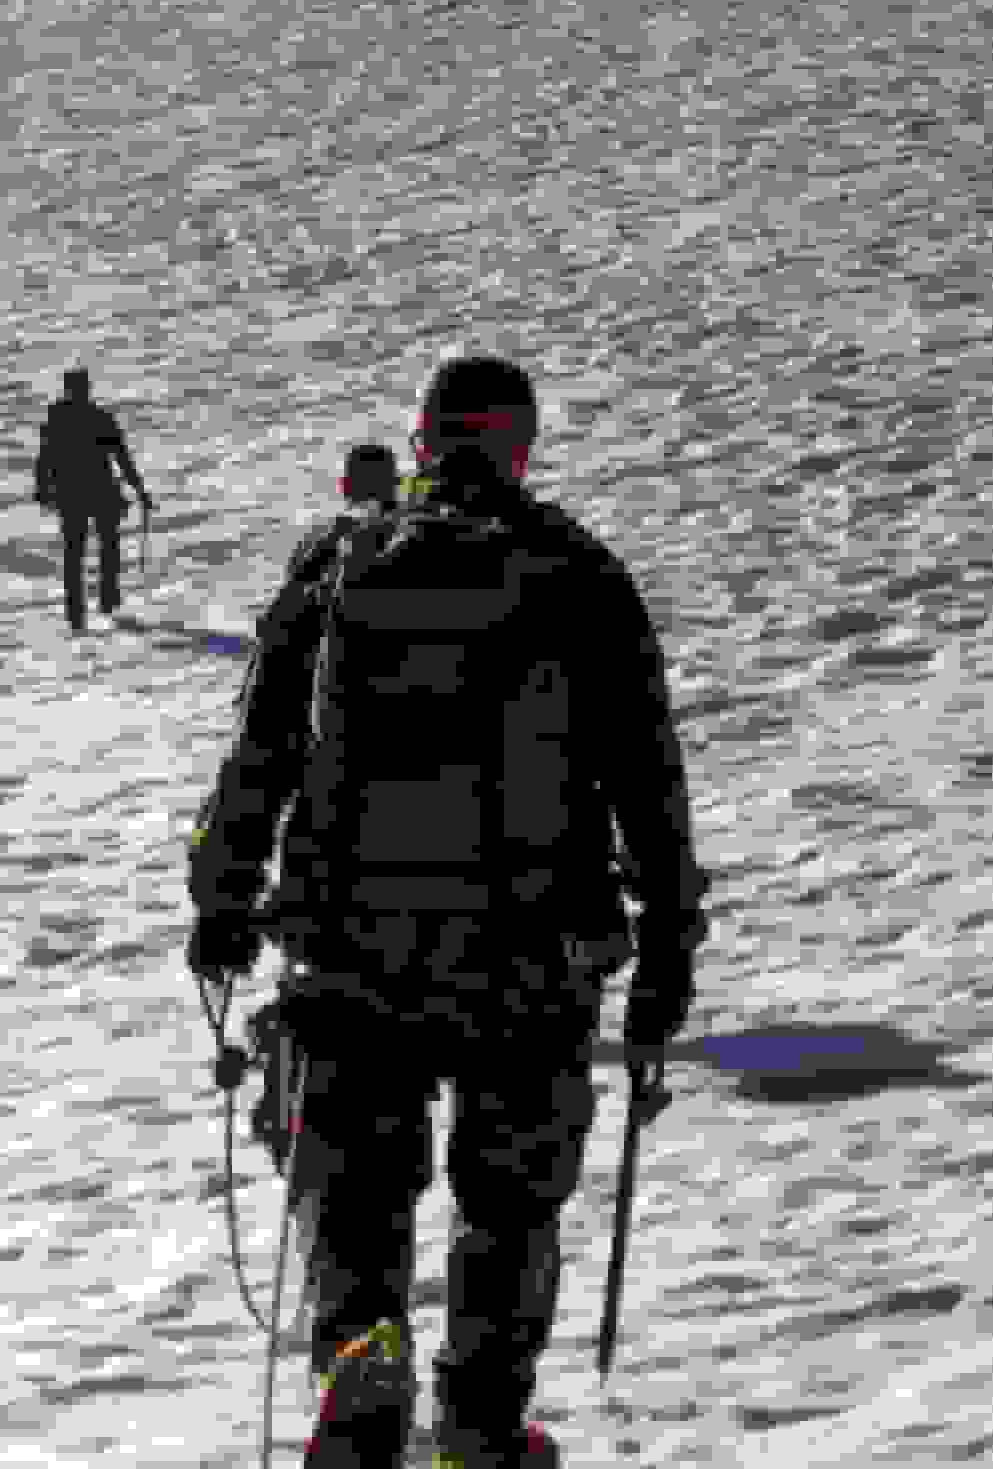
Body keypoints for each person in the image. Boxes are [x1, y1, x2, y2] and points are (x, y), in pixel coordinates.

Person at [184, 354, 709, 1469]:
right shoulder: (576, 572)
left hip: (349, 950)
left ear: (421, 439)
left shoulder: (340, 562)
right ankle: (479, 1424)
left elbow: (259, 751)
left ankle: (360, 1359)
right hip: (531, 956)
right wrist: (667, 944)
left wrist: (222, 899)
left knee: (354, 1182)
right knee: (510, 1202)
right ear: (521, 447)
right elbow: (646, 775)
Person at [31, 367, 155, 628]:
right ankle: (105, 603)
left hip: (73, 495)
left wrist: (43, 489)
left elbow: (44, 459)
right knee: (106, 548)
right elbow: (122, 458)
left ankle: (78, 614)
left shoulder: (57, 421)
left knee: (75, 554)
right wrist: (139, 489)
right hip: (99, 492)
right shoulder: (98, 418)